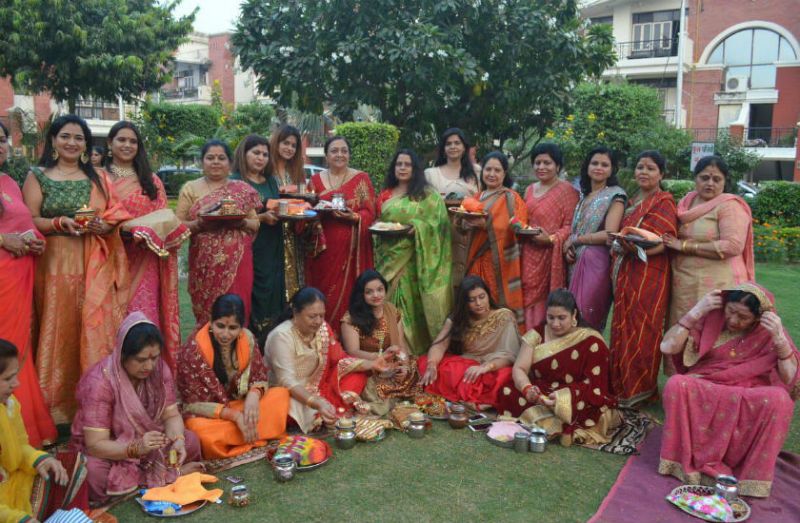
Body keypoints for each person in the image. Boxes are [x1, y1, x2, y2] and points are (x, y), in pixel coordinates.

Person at [22, 114, 131, 423]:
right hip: (53, 263)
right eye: (65, 136)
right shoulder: (38, 176)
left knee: (93, 328)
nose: (72, 142)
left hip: (93, 262)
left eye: (78, 138)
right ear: (53, 140)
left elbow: (116, 212)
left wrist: (104, 225)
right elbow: (29, 219)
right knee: (57, 328)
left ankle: (96, 404)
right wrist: (59, 222)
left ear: (86, 144)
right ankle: (54, 410)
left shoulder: (99, 177)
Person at [659, 284, 798, 497]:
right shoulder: (711, 319)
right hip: (707, 383)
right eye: (730, 311)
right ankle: (682, 460)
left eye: (743, 317)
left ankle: (749, 474)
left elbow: (789, 377)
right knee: (677, 384)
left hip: (749, 389)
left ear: (758, 318)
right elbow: (667, 347)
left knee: (779, 399)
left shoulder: (768, 331)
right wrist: (696, 311)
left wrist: (779, 339)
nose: (733, 320)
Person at [70, 312, 203, 505]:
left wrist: (178, 441)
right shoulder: (100, 382)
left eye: (154, 358)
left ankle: (149, 479)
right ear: (123, 355)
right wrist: (136, 448)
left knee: (191, 442)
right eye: (141, 360)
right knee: (92, 473)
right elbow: (96, 444)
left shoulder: (159, 370)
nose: (149, 366)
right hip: (112, 448)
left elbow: (171, 415)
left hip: (150, 443)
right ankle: (171, 475)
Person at [107, 121, 187, 368]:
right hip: (109, 259)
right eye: (121, 140)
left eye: (133, 141)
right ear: (110, 143)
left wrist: (149, 234)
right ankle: (115, 376)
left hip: (146, 261)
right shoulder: (99, 178)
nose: (127, 145)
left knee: (144, 316)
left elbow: (164, 220)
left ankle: (148, 375)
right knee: (111, 320)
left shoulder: (151, 181)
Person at [498, 289, 620, 446]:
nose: (555, 324)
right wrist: (528, 389)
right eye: (551, 317)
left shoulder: (591, 341)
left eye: (561, 318)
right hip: (542, 393)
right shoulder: (536, 335)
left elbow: (595, 385)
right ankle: (555, 422)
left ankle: (550, 421)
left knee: (597, 410)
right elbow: (519, 368)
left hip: (576, 395)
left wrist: (564, 397)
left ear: (574, 314)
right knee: (507, 390)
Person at [176, 294, 289, 459]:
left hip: (241, 404)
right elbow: (192, 405)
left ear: (241, 327)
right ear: (211, 321)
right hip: (214, 416)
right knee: (198, 429)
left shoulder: (247, 339)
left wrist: (253, 396)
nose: (225, 334)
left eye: (233, 328)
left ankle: (240, 436)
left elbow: (259, 376)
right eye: (220, 326)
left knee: (280, 395)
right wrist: (235, 416)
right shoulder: (193, 351)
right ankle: (252, 434)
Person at [0, 122, 56, 448]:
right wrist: (3, 240)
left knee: (20, 348)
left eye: (2, 140)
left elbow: (22, 223)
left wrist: (35, 240)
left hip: (19, 274)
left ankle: (24, 428)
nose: (0, 146)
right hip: (2, 277)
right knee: (5, 348)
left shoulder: (8, 181)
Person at [264, 288, 389, 433]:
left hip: (319, 387)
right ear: (295, 312)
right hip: (291, 394)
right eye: (312, 316)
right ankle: (328, 412)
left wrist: (372, 364)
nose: (318, 321)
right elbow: (287, 382)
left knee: (356, 376)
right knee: (283, 406)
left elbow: (339, 358)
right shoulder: (281, 336)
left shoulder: (323, 328)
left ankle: (327, 412)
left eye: (322, 315)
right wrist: (316, 402)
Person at [609, 151, 677, 406]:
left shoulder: (664, 202)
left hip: (650, 274)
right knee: (623, 326)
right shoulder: (633, 201)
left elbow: (665, 241)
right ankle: (619, 387)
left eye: (650, 168)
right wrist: (623, 245)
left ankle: (641, 390)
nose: (644, 172)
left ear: (661, 174)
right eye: (640, 167)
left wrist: (637, 250)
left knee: (644, 329)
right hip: (627, 271)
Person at [0, 340, 89, 521]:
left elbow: (20, 445)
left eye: (15, 376)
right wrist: (18, 519)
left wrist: (39, 460)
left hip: (13, 484)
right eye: (8, 379)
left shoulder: (9, 405)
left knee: (69, 468)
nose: (16, 384)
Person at [176, 139, 261, 328]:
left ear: (229, 163)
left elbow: (255, 224)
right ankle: (205, 345)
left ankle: (238, 344)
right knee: (208, 314)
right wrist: (199, 224)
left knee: (238, 309)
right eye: (210, 158)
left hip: (239, 262)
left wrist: (241, 222)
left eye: (221, 158)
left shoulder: (242, 189)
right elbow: (178, 225)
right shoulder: (190, 188)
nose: (215, 162)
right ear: (202, 162)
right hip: (204, 263)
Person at [375, 149, 452, 353]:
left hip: (413, 260)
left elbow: (440, 225)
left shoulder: (427, 195)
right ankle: (389, 347)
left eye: (407, 164)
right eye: (399, 164)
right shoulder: (386, 194)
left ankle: (409, 350)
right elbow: (378, 221)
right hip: (388, 256)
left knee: (407, 304)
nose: (402, 168)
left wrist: (418, 228)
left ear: (415, 168)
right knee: (387, 301)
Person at [663, 155, 754, 327]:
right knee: (680, 330)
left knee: (707, 331)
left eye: (716, 179)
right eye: (704, 178)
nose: (710, 183)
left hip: (717, 285)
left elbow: (732, 246)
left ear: (724, 182)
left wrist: (684, 246)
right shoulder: (686, 203)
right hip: (683, 284)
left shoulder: (730, 206)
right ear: (695, 178)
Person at [418, 276, 522, 409]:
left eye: (482, 297)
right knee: (428, 363)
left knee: (505, 378)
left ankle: (474, 396)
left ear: (488, 295)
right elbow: (440, 345)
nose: (478, 303)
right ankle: (472, 395)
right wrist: (431, 365)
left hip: (495, 365)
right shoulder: (458, 318)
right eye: (472, 300)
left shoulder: (504, 316)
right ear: (464, 302)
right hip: (468, 365)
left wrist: (485, 367)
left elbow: (510, 355)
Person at [307, 136, 376, 327]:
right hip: (323, 251)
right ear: (326, 156)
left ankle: (348, 334)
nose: (340, 154)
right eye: (334, 151)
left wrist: (354, 217)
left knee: (349, 295)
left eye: (344, 151)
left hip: (351, 250)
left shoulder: (361, 178)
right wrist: (317, 212)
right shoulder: (315, 181)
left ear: (349, 155)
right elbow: (307, 210)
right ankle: (323, 332)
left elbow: (370, 212)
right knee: (323, 292)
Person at [462, 151, 527, 330]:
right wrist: (464, 224)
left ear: (504, 173)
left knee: (495, 304)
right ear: (482, 171)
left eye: (497, 170)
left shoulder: (512, 198)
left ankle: (501, 340)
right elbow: (462, 225)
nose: (492, 174)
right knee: (474, 303)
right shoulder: (475, 198)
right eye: (488, 169)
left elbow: (519, 227)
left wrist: (487, 225)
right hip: (475, 261)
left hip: (498, 264)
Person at [564, 146, 626, 331]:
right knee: (570, 318)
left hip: (596, 264)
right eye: (595, 163)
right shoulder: (584, 197)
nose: (599, 168)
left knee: (586, 319)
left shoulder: (615, 195)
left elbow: (610, 234)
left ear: (612, 169)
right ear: (587, 166)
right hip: (575, 262)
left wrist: (576, 240)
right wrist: (568, 247)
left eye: (604, 165)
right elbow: (575, 231)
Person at [231, 135, 285, 340]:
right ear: (244, 154)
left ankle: (269, 339)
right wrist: (261, 217)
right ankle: (250, 338)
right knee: (252, 287)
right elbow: (233, 216)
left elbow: (276, 205)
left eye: (264, 154)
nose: (261, 158)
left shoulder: (270, 180)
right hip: (248, 244)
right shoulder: (235, 181)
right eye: (256, 153)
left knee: (273, 287)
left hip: (273, 243)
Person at [519, 143, 579, 329]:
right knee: (525, 294)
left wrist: (551, 239)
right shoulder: (529, 190)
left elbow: (570, 225)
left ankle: (542, 337)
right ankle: (525, 337)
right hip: (528, 254)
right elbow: (522, 219)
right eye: (537, 163)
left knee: (546, 299)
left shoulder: (567, 191)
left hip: (551, 256)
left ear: (557, 166)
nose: (541, 167)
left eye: (547, 163)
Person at [341, 270, 421, 406]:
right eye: (369, 292)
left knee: (414, 372)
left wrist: (404, 366)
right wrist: (380, 357)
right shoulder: (350, 318)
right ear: (361, 294)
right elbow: (352, 352)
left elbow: (401, 345)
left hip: (392, 365)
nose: (376, 295)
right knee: (370, 388)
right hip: (367, 367)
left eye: (380, 289)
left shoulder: (392, 310)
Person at [424, 127, 481, 291]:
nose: (453, 146)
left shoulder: (477, 172)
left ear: (464, 147)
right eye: (448, 143)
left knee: (467, 281)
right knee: (443, 280)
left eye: (457, 143)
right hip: (439, 233)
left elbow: (483, 200)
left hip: (469, 233)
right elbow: (424, 204)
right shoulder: (430, 174)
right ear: (443, 148)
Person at [267, 124, 307, 299]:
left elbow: (303, 200)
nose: (289, 148)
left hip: (293, 231)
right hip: (271, 229)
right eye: (285, 143)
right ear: (276, 143)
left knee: (295, 276)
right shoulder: (266, 169)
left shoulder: (296, 171)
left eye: (293, 145)